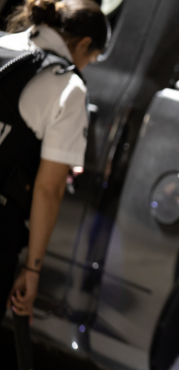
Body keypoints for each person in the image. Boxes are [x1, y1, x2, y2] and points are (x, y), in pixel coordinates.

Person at [0, 0, 109, 323]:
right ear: (86, 44)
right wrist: (32, 270)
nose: (87, 65)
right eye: (92, 58)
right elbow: (49, 190)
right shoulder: (67, 87)